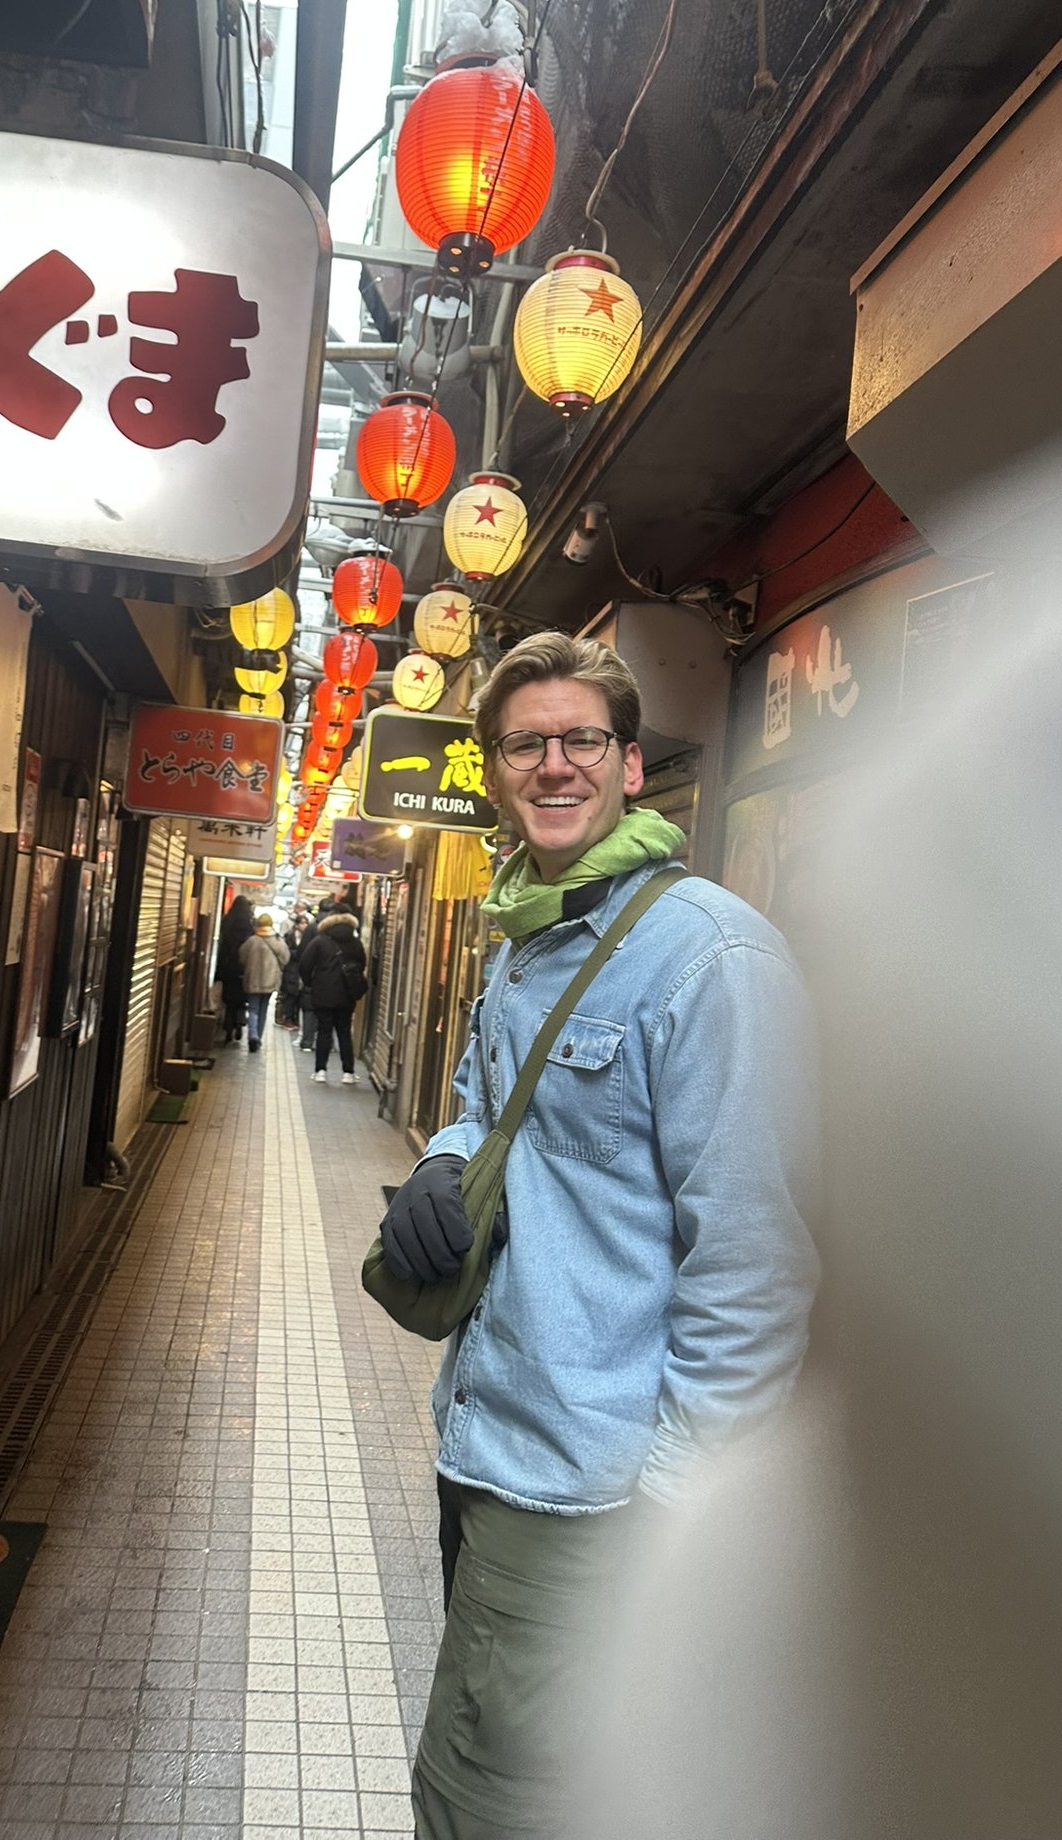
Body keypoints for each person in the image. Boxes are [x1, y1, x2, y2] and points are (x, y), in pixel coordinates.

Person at [374, 631, 819, 1840]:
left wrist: (668, 1505)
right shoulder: (527, 931)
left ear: (630, 763)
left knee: (490, 1797)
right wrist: (447, 1157)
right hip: (489, 1438)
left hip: (595, 1490)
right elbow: (480, 1097)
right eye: (527, 742)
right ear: (497, 770)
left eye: (582, 740)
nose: (554, 763)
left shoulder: (712, 958)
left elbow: (757, 1266)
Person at [297, 904, 367, 1085]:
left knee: (324, 1031)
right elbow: (361, 966)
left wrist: (311, 983)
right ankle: (348, 1073)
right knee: (344, 1031)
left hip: (323, 993)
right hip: (346, 995)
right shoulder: (356, 943)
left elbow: (304, 964)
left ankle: (320, 1071)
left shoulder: (320, 941)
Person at [238, 912, 288, 1053]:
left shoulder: (252, 940)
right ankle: (258, 1038)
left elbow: (241, 958)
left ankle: (252, 1035)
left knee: (253, 1009)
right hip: (270, 980)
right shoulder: (278, 941)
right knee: (263, 1009)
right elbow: (285, 959)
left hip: (253, 979)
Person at [213, 893, 254, 1043]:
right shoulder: (250, 924)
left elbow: (222, 943)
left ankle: (228, 1026)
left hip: (227, 965)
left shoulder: (227, 920)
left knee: (229, 999)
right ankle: (238, 1025)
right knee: (241, 999)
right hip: (243, 967)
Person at [277, 909, 311, 1031]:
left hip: (302, 970)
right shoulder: (289, 936)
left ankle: (295, 1019)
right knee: (290, 995)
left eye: (306, 923)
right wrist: (299, 954)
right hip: (291, 969)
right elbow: (287, 952)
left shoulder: (309, 937)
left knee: (299, 995)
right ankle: (288, 1018)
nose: (304, 925)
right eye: (302, 923)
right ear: (296, 925)